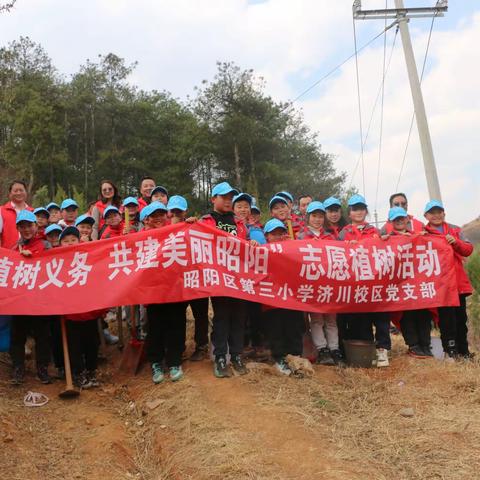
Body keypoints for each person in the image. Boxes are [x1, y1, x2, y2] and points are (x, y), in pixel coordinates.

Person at [200, 182, 248, 378]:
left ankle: (236, 354)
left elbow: (244, 247)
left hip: (239, 278)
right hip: (218, 278)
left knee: (238, 317)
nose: (228, 201)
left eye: (230, 198)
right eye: (224, 197)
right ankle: (220, 356)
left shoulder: (239, 223)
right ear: (213, 199)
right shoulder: (205, 221)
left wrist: (250, 243)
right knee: (221, 317)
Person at [338, 194, 391, 368]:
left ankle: (383, 350)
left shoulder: (375, 231)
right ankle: (365, 352)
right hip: (355, 284)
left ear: (366, 211)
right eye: (354, 209)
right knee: (360, 320)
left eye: (361, 208)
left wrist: (383, 241)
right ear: (349, 212)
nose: (358, 212)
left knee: (381, 316)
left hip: (375, 282)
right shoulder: (343, 233)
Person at [141, 201, 186, 383]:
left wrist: (189, 223)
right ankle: (156, 362)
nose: (158, 218)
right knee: (156, 327)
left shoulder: (175, 231)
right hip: (153, 292)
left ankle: (174, 361)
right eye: (154, 215)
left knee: (176, 324)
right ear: (147, 219)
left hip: (175, 289)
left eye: (161, 214)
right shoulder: (140, 237)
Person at [424, 200, 474, 359]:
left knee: (461, 319)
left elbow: (468, 249)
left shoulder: (455, 230)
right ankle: (450, 351)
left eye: (439, 212)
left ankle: (464, 352)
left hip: (458, 283)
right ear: (426, 215)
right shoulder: (422, 234)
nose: (436, 215)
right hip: (441, 285)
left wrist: (456, 242)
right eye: (432, 212)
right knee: (446, 320)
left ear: (444, 213)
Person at [59, 226, 105, 388]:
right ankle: (78, 374)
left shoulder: (89, 257)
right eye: (66, 241)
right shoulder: (58, 262)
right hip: (70, 315)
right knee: (75, 346)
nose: (70, 243)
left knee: (92, 344)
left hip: (90, 313)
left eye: (73, 240)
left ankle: (91, 371)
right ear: (60, 244)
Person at [9, 210, 52, 385]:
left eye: (29, 225)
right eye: (22, 226)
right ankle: (18, 368)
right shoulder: (13, 249)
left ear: (35, 226)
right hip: (20, 301)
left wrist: (33, 258)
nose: (26, 229)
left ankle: (42, 368)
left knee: (43, 336)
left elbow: (52, 267)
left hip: (40, 300)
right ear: (18, 228)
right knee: (17, 336)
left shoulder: (46, 245)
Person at [385, 207, 433, 359]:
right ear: (391, 222)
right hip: (400, 285)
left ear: (407, 220)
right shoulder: (387, 239)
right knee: (406, 315)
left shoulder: (417, 236)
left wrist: (424, 237)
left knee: (423, 313)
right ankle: (413, 345)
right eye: (396, 219)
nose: (399, 221)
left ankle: (425, 344)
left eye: (401, 218)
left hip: (418, 283)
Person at [263, 219, 306, 375]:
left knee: (294, 328)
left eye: (280, 233)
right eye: (274, 234)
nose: (278, 236)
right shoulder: (262, 251)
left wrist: (293, 246)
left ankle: (296, 357)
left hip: (292, 298)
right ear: (267, 235)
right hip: (272, 301)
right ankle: (279, 358)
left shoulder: (292, 249)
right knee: (276, 330)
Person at [0, 180, 32, 249]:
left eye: (21, 190)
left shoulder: (32, 211)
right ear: (10, 193)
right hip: (8, 257)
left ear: (26, 192)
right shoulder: (1, 211)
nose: (18, 193)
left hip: (30, 255)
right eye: (15, 191)